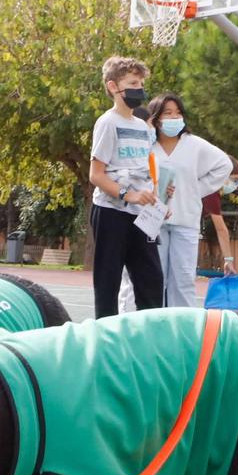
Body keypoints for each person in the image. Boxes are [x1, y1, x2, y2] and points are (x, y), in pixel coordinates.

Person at [88, 56, 163, 318]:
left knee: (152, 280)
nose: (139, 88)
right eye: (132, 82)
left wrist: (155, 200)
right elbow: (96, 175)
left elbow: (143, 170)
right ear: (113, 87)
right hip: (111, 212)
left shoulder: (142, 127)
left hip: (140, 216)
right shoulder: (107, 123)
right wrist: (127, 194)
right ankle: (105, 339)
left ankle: (151, 336)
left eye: (141, 82)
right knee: (108, 280)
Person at [146, 92, 234, 308]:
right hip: (153, 221)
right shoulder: (147, 146)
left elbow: (225, 165)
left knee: (183, 280)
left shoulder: (194, 145)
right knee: (154, 279)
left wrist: (195, 189)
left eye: (178, 113)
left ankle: (182, 328)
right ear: (156, 118)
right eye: (168, 113)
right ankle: (153, 327)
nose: (174, 118)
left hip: (185, 221)